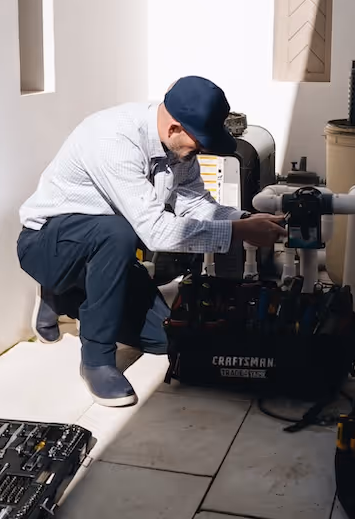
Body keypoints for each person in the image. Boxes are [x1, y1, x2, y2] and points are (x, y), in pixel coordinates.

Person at [16, 76, 286, 407]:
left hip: (103, 251)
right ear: (174, 128)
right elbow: (155, 231)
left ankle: (67, 296)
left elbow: (196, 203)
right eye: (198, 142)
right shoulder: (112, 140)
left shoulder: (179, 150)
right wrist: (240, 234)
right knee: (118, 232)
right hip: (48, 244)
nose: (200, 150)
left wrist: (245, 220)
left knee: (165, 338)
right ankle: (97, 360)